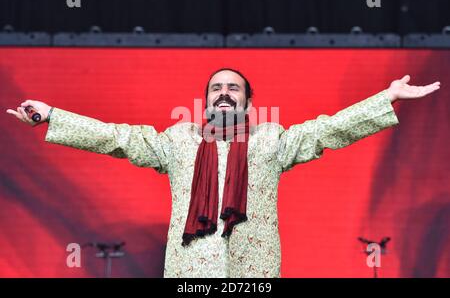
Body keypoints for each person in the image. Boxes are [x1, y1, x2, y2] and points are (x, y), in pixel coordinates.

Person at [6, 68, 441, 277]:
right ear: (207, 101)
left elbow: (330, 129)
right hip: (191, 275)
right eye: (217, 88)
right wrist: (52, 115)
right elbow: (116, 137)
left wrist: (388, 98)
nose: (225, 93)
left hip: (255, 275)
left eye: (234, 88)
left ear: (248, 103)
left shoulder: (273, 140)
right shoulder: (178, 141)